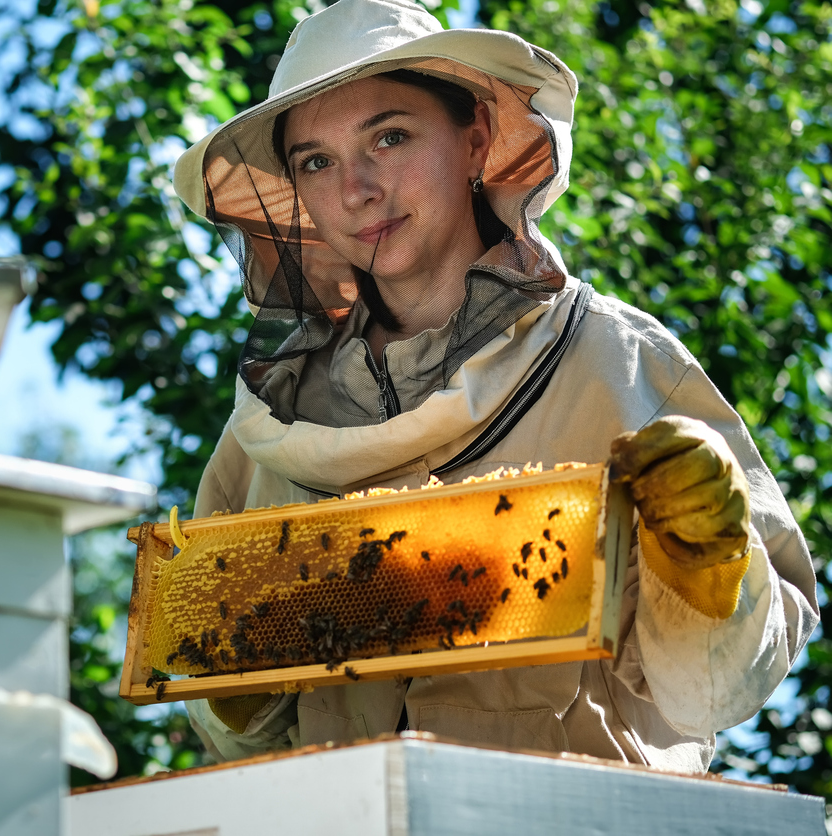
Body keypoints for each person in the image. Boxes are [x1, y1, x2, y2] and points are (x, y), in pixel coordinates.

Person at [168, 0, 817, 773]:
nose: (357, 191)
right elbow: (242, 736)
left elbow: (722, 690)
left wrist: (712, 572)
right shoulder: (268, 434)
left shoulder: (617, 360)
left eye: (390, 136)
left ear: (475, 135)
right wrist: (234, 691)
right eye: (317, 161)